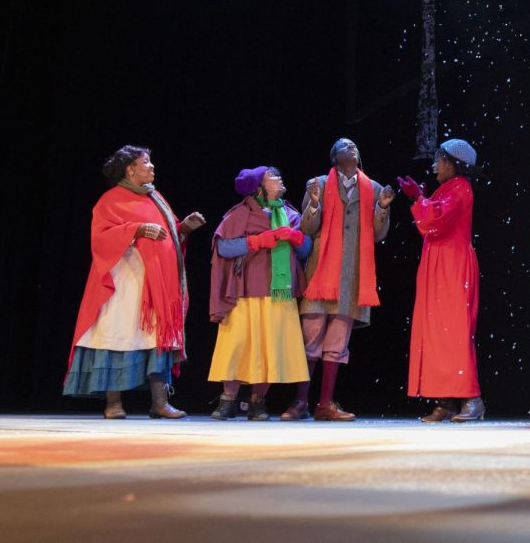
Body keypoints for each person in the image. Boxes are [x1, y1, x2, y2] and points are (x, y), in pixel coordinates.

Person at [63, 145, 204, 418]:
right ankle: (113, 404)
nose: (151, 167)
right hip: (123, 282)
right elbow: (100, 238)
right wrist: (136, 229)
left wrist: (184, 227)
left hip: (155, 284)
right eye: (146, 162)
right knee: (118, 335)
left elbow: (169, 235)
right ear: (130, 169)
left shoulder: (156, 198)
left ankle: (159, 403)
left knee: (154, 336)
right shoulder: (111, 199)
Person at [296, 138, 395, 421]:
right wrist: (314, 204)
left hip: (352, 277)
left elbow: (378, 234)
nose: (351, 147)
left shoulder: (373, 189)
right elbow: (306, 228)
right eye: (344, 145)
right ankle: (300, 401)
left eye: (354, 145)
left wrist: (382, 209)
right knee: (310, 340)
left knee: (337, 344)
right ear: (334, 157)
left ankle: (325, 404)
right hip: (321, 274)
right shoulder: (318, 184)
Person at [207, 166, 312, 420]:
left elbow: (306, 250)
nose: (279, 178)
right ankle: (228, 400)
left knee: (270, 347)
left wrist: (298, 239)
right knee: (237, 345)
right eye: (272, 176)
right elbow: (223, 247)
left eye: (278, 174)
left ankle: (257, 402)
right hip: (246, 292)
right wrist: (256, 241)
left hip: (279, 293)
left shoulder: (290, 214)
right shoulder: (240, 214)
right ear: (258, 187)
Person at [397, 139, 484, 422]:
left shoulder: (461, 188)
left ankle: (472, 399)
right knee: (437, 332)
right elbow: (430, 220)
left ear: (454, 164)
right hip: (438, 265)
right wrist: (422, 197)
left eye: (439, 160)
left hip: (453, 266)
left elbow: (433, 221)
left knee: (455, 333)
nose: (434, 166)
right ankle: (445, 401)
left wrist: (417, 199)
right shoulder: (447, 188)